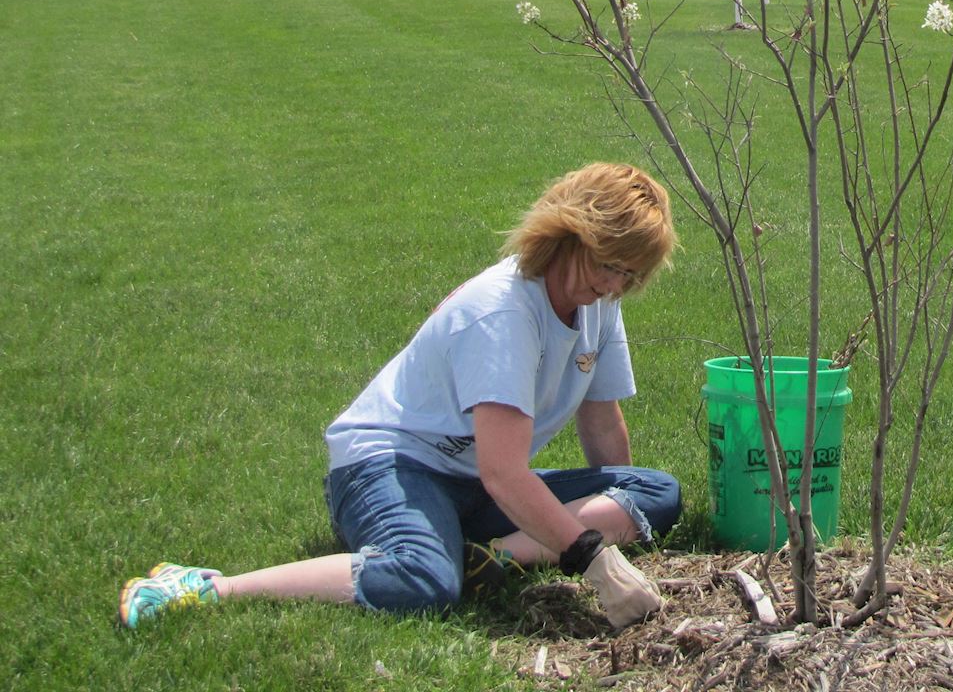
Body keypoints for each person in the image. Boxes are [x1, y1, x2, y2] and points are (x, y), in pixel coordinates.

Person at [120, 162, 682, 630]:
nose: (613, 286)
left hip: (471, 481)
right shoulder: (503, 313)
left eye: (629, 275)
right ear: (568, 234)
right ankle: (212, 586)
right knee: (423, 582)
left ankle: (492, 557)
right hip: (391, 466)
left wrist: (624, 516)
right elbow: (505, 476)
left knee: (656, 490)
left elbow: (602, 424)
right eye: (608, 264)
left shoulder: (599, 308)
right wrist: (592, 558)